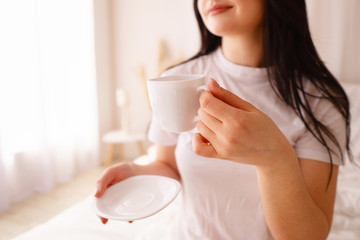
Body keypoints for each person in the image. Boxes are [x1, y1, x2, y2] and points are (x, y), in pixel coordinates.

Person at [95, 0, 352, 239]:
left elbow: (309, 235)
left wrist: (275, 159)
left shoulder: (319, 102)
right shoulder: (176, 81)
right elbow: (168, 166)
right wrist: (137, 173)